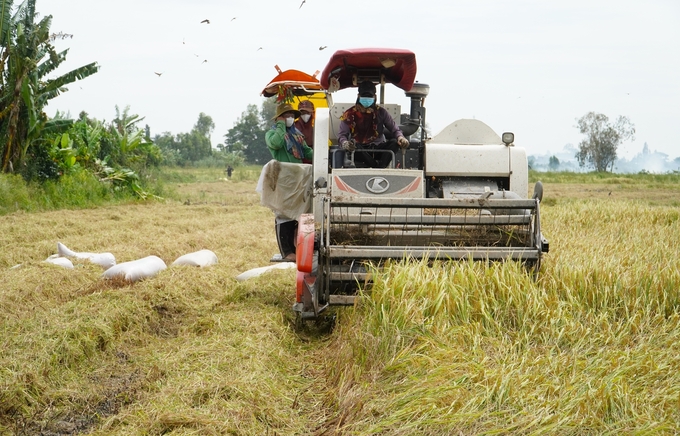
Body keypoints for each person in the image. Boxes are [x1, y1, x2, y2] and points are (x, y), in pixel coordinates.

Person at [265, 102, 314, 262]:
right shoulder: (272, 134)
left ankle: (294, 249)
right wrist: (280, 125)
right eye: (286, 116)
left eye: (292, 116)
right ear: (279, 118)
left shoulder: (297, 135)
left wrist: (322, 155)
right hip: (283, 178)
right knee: (283, 213)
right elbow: (277, 144)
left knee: (296, 214)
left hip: (297, 178)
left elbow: (306, 151)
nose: (290, 119)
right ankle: (286, 252)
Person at [337, 80, 410, 168]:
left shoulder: (381, 112)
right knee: (354, 146)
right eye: (364, 96)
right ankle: (377, 167)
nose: (367, 99)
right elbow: (342, 135)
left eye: (369, 96)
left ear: (375, 97)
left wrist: (401, 138)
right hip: (360, 150)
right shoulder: (349, 114)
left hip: (379, 148)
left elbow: (395, 130)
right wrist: (345, 143)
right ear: (359, 96)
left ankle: (381, 166)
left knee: (394, 143)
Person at [295, 100, 315, 164]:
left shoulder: (315, 129)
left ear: (312, 113)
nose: (305, 115)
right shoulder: (293, 128)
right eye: (302, 113)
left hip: (313, 164)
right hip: (297, 163)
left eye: (308, 113)